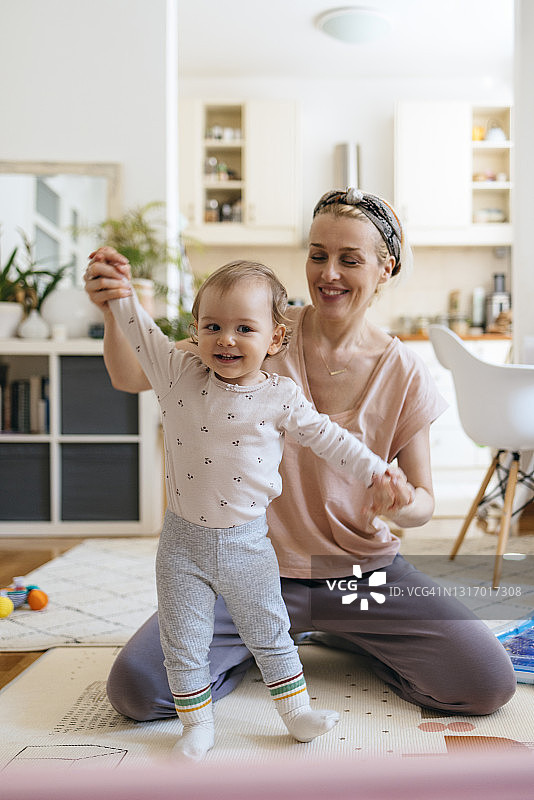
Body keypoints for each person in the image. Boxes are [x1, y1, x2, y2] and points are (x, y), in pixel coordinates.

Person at [85, 187, 516, 737]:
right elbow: (135, 375)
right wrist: (113, 312)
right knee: (138, 690)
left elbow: (423, 505)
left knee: (484, 683)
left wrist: (401, 502)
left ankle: (340, 635)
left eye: (349, 259)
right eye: (318, 255)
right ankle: (264, 646)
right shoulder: (254, 327)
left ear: (385, 269)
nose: (328, 273)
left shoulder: (405, 371)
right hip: (247, 570)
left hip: (361, 578)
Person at [98, 256, 413, 760]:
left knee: (270, 632)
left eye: (244, 328)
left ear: (275, 339)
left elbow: (331, 439)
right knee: (183, 641)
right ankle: (195, 725)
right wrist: (118, 293)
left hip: (247, 544)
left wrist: (378, 470)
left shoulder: (281, 396)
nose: (226, 339)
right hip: (181, 543)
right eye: (212, 327)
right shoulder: (176, 371)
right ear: (194, 332)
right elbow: (140, 331)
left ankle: (296, 715)